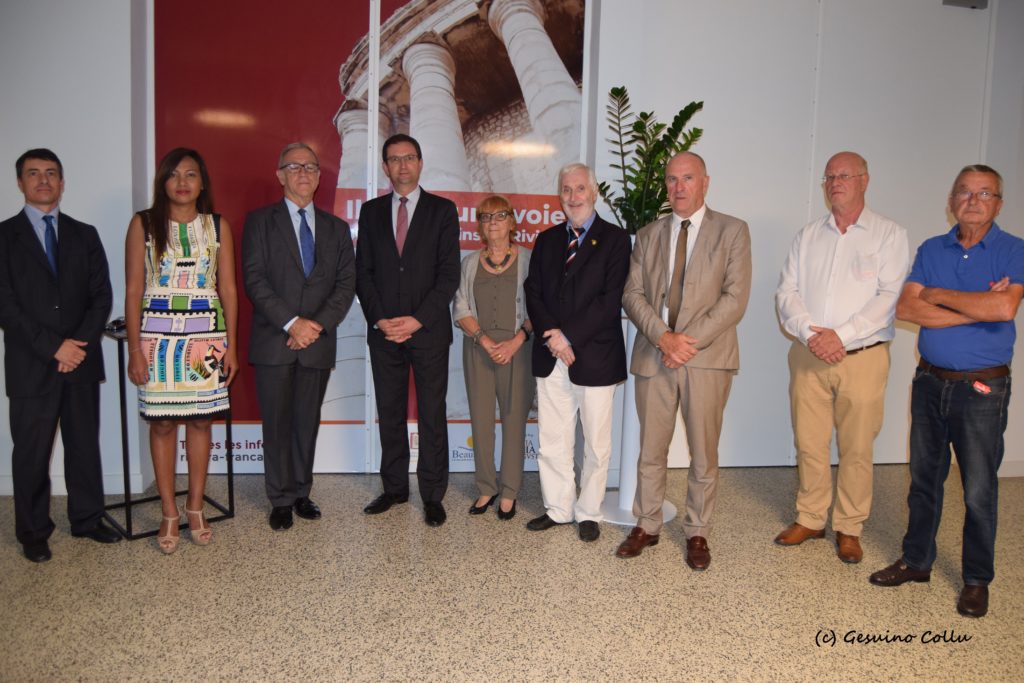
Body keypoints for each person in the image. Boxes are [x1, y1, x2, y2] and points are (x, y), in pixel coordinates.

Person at [870, 165, 1023, 618]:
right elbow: (907, 308)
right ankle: (916, 561)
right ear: (951, 200)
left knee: (978, 489)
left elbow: (1005, 306)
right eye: (964, 192)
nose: (973, 201)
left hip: (982, 389)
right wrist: (978, 307)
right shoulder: (931, 249)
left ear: (998, 203)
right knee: (923, 480)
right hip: (929, 381)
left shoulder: (1014, 250)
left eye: (984, 193)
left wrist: (937, 294)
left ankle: (976, 580)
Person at [773, 152, 910, 564]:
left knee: (856, 447)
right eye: (830, 176)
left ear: (864, 180)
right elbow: (786, 292)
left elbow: (890, 297)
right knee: (809, 442)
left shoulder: (889, 234)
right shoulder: (808, 236)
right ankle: (811, 517)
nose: (836, 182)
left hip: (862, 357)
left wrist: (842, 335)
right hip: (809, 353)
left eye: (845, 175)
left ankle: (849, 527)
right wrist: (811, 333)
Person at [617, 152, 751, 570]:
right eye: (672, 179)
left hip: (706, 359)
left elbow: (735, 299)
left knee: (703, 452)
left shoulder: (733, 231)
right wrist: (663, 338)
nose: (678, 187)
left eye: (687, 178)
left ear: (705, 182)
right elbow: (632, 294)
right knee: (650, 449)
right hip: (654, 355)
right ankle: (647, 523)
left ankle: (697, 531)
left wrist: (685, 343)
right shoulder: (648, 234)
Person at [0, 148, 118, 562]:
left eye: (51, 173)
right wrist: (54, 348)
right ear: (20, 182)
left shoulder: (85, 234)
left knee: (83, 445)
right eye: (34, 173)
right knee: (31, 453)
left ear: (62, 182)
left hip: (80, 362)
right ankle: (33, 531)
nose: (43, 180)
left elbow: (101, 296)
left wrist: (76, 346)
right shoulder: (4, 237)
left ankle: (87, 518)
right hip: (31, 364)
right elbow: (5, 306)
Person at [125, 147, 238, 553]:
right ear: (163, 182)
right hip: (156, 342)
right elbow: (133, 290)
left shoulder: (217, 226)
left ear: (202, 182)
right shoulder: (143, 224)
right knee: (162, 425)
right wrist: (135, 350)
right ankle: (169, 512)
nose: (182, 182)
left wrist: (231, 347)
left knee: (202, 423)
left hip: (206, 339)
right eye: (174, 174)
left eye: (190, 174)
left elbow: (228, 289)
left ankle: (195, 507)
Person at [242, 142, 356, 531]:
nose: (303, 173)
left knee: (306, 421)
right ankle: (280, 498)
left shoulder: (337, 229)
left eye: (310, 167)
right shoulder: (260, 222)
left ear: (320, 176)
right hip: (275, 340)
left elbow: (345, 285)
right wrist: (292, 323)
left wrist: (314, 326)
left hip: (316, 343)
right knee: (276, 424)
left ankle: (301, 492)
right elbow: (255, 280)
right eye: (294, 166)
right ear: (280, 175)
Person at [356, 133, 461, 527]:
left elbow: (449, 275)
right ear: (385, 166)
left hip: (428, 331)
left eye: (409, 157)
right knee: (390, 412)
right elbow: (363, 273)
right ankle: (395, 488)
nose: (403, 165)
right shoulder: (370, 212)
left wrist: (418, 319)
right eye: (395, 159)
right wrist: (380, 319)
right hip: (384, 332)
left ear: (420, 163)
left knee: (432, 413)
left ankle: (432, 494)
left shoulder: (443, 211)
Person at [523, 162, 630, 542]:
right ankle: (558, 508)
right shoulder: (547, 240)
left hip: (595, 356)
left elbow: (609, 299)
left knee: (597, 446)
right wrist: (555, 338)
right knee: (553, 440)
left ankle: (589, 512)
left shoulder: (615, 239)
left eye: (580, 188)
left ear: (594, 192)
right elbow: (533, 291)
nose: (573, 196)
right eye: (566, 190)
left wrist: (567, 337)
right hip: (552, 356)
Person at [452, 195, 534, 521]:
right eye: (486, 217)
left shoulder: (528, 260)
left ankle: (510, 491)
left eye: (500, 216)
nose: (493, 222)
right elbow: (461, 307)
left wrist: (516, 341)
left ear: (512, 222)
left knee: (514, 421)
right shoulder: (470, 263)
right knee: (481, 420)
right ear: (480, 227)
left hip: (519, 351)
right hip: (478, 349)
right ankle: (486, 486)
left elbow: (539, 306)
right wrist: (484, 341)